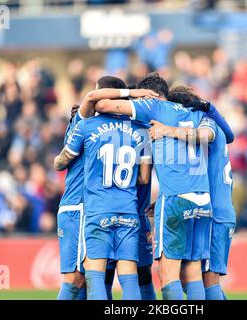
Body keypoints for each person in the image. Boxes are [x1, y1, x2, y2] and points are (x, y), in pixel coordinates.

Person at [93, 73, 212, 300]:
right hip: (202, 199)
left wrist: (132, 94)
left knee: (167, 274)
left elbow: (102, 104)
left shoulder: (154, 107)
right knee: (193, 268)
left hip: (172, 199)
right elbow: (221, 134)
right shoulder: (197, 114)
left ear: (150, 95)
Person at [55, 76, 157, 300]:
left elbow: (59, 163)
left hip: (93, 207)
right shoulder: (140, 129)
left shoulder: (86, 124)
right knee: (129, 275)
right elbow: (143, 177)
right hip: (123, 208)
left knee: (92, 276)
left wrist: (58, 160)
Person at [149, 86, 237, 300]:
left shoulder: (200, 130)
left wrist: (167, 130)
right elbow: (230, 134)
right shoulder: (214, 125)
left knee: (207, 281)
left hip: (213, 210)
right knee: (202, 279)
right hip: (219, 210)